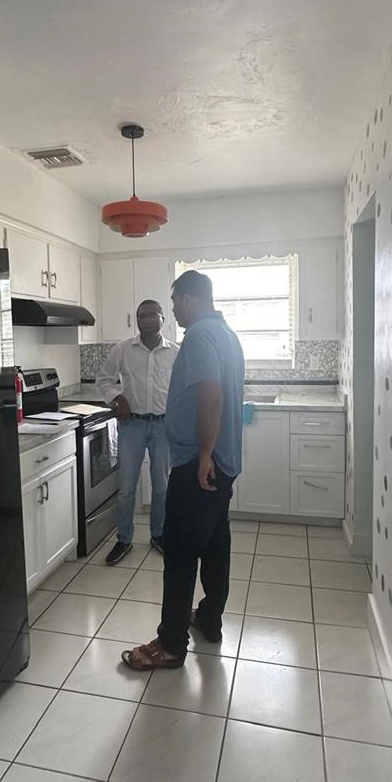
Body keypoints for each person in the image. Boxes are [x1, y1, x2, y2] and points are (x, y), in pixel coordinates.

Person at [122, 270, 245, 669]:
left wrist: (204, 455)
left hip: (198, 464)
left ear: (190, 299)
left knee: (178, 554)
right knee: (215, 546)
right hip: (221, 464)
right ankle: (209, 618)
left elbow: (210, 393)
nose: (172, 309)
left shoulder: (198, 337)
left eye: (174, 301)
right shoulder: (228, 335)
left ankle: (171, 644)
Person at [96, 299, 179, 563]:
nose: (146, 320)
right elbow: (104, 379)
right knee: (126, 487)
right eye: (141, 315)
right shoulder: (123, 349)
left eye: (152, 315)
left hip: (164, 426)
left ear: (163, 318)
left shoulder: (176, 353)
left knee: (162, 486)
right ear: (136, 320)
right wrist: (117, 398)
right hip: (132, 425)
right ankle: (124, 540)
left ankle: (159, 535)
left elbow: (182, 388)